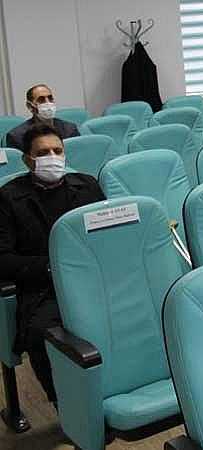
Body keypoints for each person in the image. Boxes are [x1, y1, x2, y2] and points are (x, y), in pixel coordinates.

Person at [0, 124, 105, 404]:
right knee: (41, 334)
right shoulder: (8, 197)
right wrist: (52, 267)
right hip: (44, 287)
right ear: (27, 160)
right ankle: (68, 406)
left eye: (57, 151)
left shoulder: (87, 185)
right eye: (43, 153)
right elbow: (3, 258)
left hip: (93, 279)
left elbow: (107, 238)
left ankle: (112, 390)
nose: (52, 157)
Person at [5, 84, 79, 150]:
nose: (48, 103)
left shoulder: (70, 130)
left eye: (50, 98)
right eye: (41, 100)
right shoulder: (16, 136)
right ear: (30, 106)